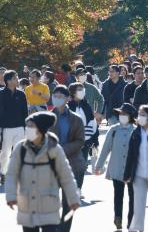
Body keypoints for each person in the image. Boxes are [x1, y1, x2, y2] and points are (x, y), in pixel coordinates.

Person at [5, 111, 80, 232]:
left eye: (31, 126)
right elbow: (11, 174)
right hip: (27, 207)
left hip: (49, 207)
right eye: (27, 126)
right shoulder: (20, 149)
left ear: (41, 129)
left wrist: (73, 199)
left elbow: (66, 176)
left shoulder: (54, 149)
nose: (27, 129)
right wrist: (11, 196)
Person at [95, 103, 136, 230]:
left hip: (133, 169)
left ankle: (131, 222)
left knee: (133, 197)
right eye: (120, 114)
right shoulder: (113, 129)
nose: (122, 116)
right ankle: (118, 218)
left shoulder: (136, 130)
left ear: (130, 116)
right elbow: (105, 148)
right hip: (117, 167)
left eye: (125, 114)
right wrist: (99, 165)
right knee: (118, 195)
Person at [50, 85, 85, 232]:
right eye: (55, 95)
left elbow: (80, 141)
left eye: (60, 96)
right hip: (51, 165)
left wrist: (63, 149)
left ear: (68, 99)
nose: (57, 98)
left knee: (68, 203)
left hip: (72, 164)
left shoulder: (76, 119)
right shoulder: (47, 118)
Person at [0, 70, 28, 184]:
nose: (18, 80)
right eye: (15, 78)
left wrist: (26, 127)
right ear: (9, 81)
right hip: (5, 128)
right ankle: (3, 173)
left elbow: (25, 112)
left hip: (20, 127)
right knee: (5, 152)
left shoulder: (21, 94)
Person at [68, 83, 97, 189]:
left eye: (83, 89)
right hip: (72, 141)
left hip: (86, 141)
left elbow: (93, 123)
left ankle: (78, 189)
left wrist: (94, 140)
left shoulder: (87, 105)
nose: (82, 92)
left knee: (82, 166)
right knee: (72, 166)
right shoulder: (69, 106)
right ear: (73, 93)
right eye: (79, 90)